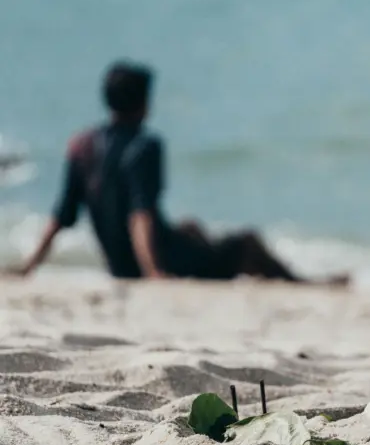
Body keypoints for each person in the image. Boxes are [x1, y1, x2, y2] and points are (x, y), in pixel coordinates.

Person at [8, 60, 350, 286]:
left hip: (118, 266)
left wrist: (29, 266)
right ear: (143, 102)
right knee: (246, 244)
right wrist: (154, 273)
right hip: (149, 263)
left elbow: (61, 216)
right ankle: (304, 284)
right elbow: (139, 214)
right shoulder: (146, 145)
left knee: (189, 227)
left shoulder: (81, 146)